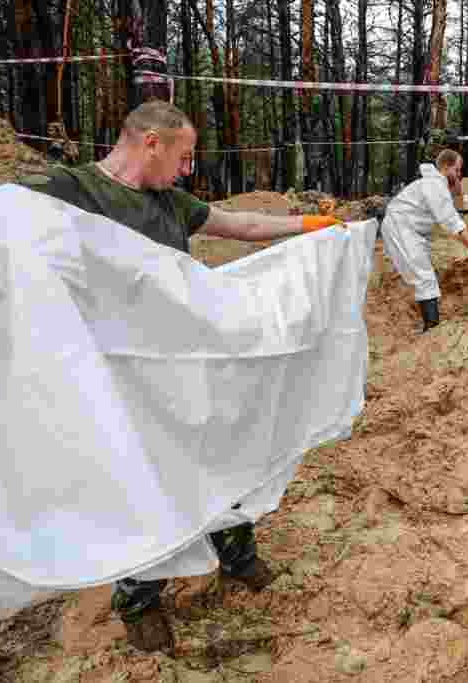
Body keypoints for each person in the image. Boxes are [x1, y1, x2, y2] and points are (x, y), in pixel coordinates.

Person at [19, 100, 341, 653]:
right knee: (141, 482)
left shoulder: (170, 201)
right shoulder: (71, 190)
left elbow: (241, 223)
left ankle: (238, 555)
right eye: (184, 156)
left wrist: (311, 225)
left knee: (224, 454)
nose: (187, 168)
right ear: (151, 142)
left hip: (187, 360)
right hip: (122, 376)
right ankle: (139, 598)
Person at [380, 149, 468, 332]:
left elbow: (447, 207)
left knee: (423, 274)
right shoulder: (434, 187)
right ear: (446, 167)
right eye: (457, 170)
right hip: (402, 228)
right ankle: (431, 327)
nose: (459, 175)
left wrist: (456, 188)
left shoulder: (434, 185)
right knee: (424, 275)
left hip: (407, 229)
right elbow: (451, 222)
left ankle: (430, 324)